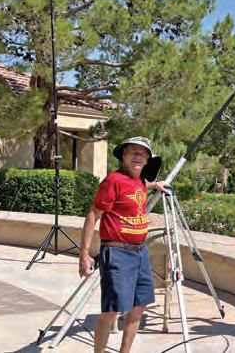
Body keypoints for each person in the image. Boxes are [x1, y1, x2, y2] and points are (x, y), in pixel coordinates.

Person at [79, 136, 169, 352]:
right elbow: (93, 215)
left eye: (143, 154)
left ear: (147, 160)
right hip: (117, 251)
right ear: (124, 155)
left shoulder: (139, 182)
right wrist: (84, 254)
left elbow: (143, 186)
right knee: (111, 311)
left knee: (139, 306)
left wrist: (157, 184)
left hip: (140, 253)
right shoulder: (113, 181)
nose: (138, 156)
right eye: (134, 152)